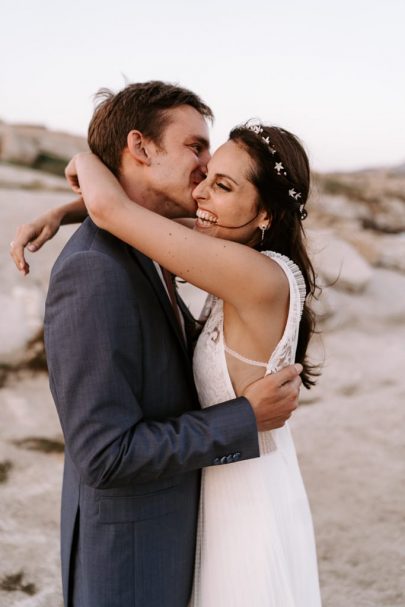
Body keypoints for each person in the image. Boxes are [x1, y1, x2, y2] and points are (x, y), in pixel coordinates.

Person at [10, 82, 303, 607]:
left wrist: (80, 177)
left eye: (221, 178)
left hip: (210, 517)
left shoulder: (193, 252)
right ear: (140, 147)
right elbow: (103, 455)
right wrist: (243, 417)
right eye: (196, 148)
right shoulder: (95, 272)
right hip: (134, 560)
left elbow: (115, 209)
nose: (203, 170)